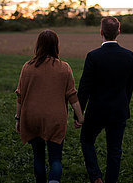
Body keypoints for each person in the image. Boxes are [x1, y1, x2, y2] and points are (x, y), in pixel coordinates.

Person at [15, 30, 84, 183]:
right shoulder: (64, 68)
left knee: (38, 156)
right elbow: (72, 96)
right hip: (55, 119)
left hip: (31, 117)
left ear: (38, 45)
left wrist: (18, 118)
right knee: (55, 159)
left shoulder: (27, 67)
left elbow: (20, 96)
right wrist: (80, 118)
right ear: (56, 46)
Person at [77, 16, 133, 183]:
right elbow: (129, 87)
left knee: (86, 140)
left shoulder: (93, 56)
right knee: (115, 151)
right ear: (118, 32)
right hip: (119, 110)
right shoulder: (129, 56)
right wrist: (124, 105)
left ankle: (96, 177)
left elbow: (84, 88)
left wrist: (78, 114)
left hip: (96, 111)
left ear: (101, 32)